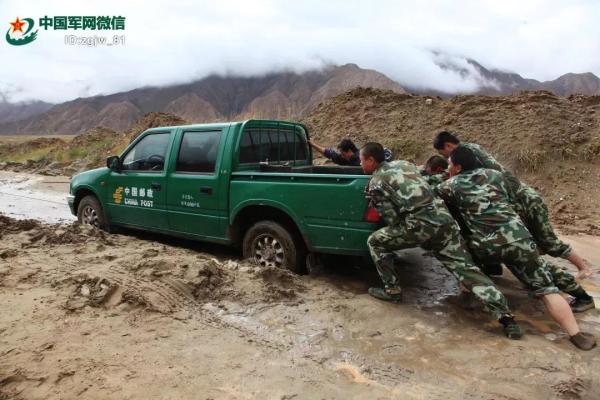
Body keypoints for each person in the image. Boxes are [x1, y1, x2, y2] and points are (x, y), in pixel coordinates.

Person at [436, 146, 596, 350]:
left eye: (449, 164)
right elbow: (512, 200)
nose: (448, 168)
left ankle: (476, 296)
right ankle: (576, 334)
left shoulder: (450, 186)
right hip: (520, 239)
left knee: (464, 259)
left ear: (458, 167)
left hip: (487, 245)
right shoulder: (496, 175)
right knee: (547, 289)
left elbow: (439, 206)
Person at [360, 142, 523, 339]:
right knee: (466, 269)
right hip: (444, 222)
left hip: (419, 227)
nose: (360, 164)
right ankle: (507, 319)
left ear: (371, 160)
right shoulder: (404, 164)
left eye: (362, 160)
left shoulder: (376, 183)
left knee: (375, 242)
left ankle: (392, 290)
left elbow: (392, 219)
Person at [433, 131, 594, 282]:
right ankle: (539, 274)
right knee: (522, 240)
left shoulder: (467, 153)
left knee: (547, 241)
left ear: (448, 146)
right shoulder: (471, 149)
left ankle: (583, 268)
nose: (446, 158)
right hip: (517, 197)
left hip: (525, 200)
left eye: (443, 154)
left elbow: (471, 177)